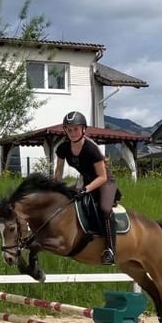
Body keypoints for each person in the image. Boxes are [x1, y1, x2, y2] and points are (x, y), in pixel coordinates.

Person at [53, 111, 118, 265]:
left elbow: (101, 177)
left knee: (104, 208)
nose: (73, 133)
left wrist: (86, 189)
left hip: (105, 182)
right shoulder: (63, 148)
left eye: (76, 129)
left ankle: (110, 249)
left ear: (83, 129)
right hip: (85, 180)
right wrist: (55, 189)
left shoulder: (91, 149)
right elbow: (58, 172)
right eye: (69, 130)